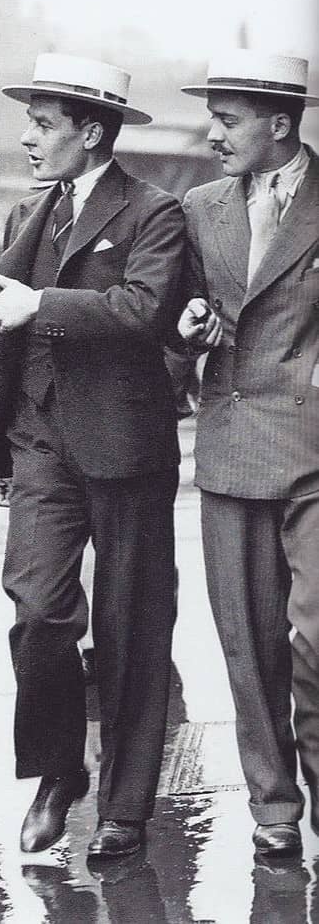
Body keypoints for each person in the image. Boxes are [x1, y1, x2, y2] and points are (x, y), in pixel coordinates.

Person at [0, 52, 185, 858]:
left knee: (134, 627)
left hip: (126, 446)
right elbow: (2, 343)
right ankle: (59, 769)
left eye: (43, 124)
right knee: (37, 613)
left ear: (90, 132)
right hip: (41, 446)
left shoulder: (153, 212)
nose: (28, 137)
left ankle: (125, 809)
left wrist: (44, 305)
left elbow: (142, 310)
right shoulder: (27, 216)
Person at [177, 48, 319, 856]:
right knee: (248, 640)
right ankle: (274, 808)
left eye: (225, 120)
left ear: (278, 123)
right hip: (230, 449)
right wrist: (188, 326)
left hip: (312, 449)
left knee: (315, 636)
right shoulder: (201, 207)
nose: (211, 134)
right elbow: (178, 312)